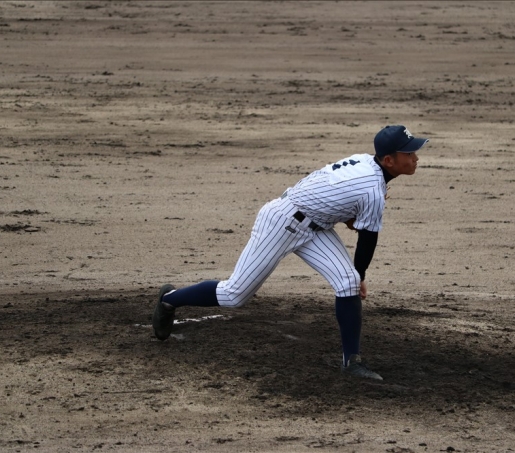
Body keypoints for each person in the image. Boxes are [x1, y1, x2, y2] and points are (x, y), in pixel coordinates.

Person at [152, 125, 429, 380]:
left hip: (315, 227)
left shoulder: (366, 162)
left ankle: (351, 362)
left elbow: (330, 194)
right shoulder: (372, 189)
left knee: (348, 283)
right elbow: (367, 240)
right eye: (409, 153)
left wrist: (355, 269)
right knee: (234, 295)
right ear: (389, 160)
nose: (415, 157)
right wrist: (362, 274)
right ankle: (169, 299)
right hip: (281, 222)